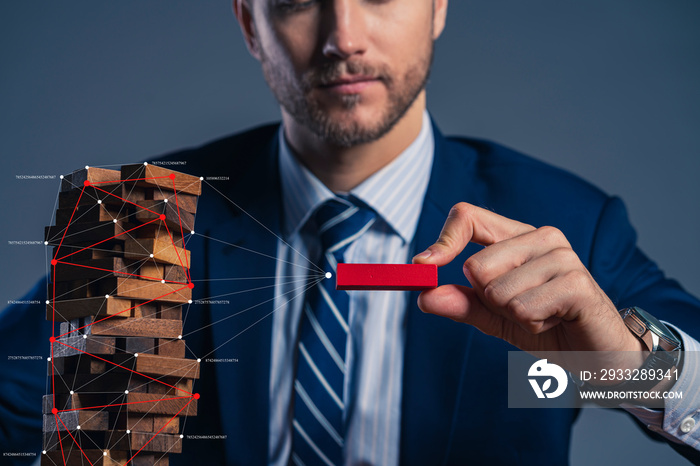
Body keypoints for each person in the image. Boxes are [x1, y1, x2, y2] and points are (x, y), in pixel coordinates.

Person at [1, 1, 699, 464]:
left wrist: (632, 369)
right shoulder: (145, 219)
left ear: (437, 7)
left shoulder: (563, 225)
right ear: (250, 23)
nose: (344, 38)